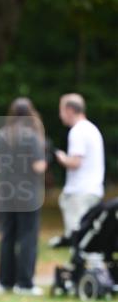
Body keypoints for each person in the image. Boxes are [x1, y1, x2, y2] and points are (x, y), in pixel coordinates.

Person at [0, 98, 47, 296]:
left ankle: (5, 281)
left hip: (6, 193)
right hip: (28, 194)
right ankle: (24, 283)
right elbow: (38, 166)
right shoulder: (32, 137)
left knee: (7, 237)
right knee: (27, 237)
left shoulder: (1, 135)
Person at [55, 93, 105, 237]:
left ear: (69, 110)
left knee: (78, 237)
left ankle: (80, 260)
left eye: (61, 110)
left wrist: (62, 157)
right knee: (91, 236)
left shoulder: (77, 131)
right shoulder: (92, 129)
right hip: (94, 190)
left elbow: (75, 162)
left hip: (79, 192)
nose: (60, 115)